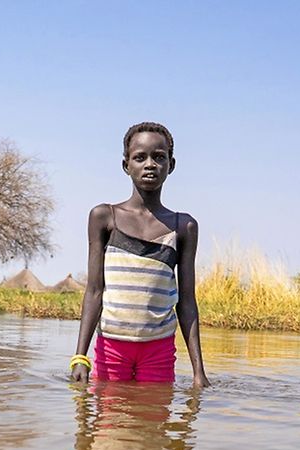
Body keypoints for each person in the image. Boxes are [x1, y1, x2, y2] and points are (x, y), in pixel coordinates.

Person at [69, 122, 210, 387]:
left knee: (154, 422)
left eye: (159, 157)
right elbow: (94, 291)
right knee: (109, 424)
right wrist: (80, 357)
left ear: (171, 164)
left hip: (158, 349)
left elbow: (187, 301)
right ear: (126, 165)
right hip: (112, 345)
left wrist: (198, 372)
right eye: (140, 157)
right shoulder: (104, 217)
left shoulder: (183, 227)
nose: (150, 164)